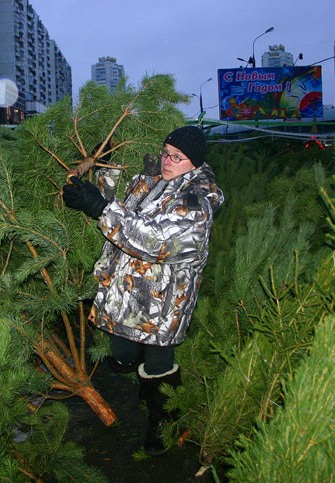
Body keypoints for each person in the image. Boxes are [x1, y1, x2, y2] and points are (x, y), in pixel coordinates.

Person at [62, 125, 224, 456]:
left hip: (163, 303)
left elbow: (154, 241)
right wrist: (101, 174)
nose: (168, 161)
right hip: (128, 292)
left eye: (177, 158)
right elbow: (122, 203)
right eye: (166, 152)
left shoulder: (196, 203)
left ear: (194, 163)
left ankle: (163, 422)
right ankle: (137, 373)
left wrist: (99, 210)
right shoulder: (150, 179)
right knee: (121, 354)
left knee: (157, 361)